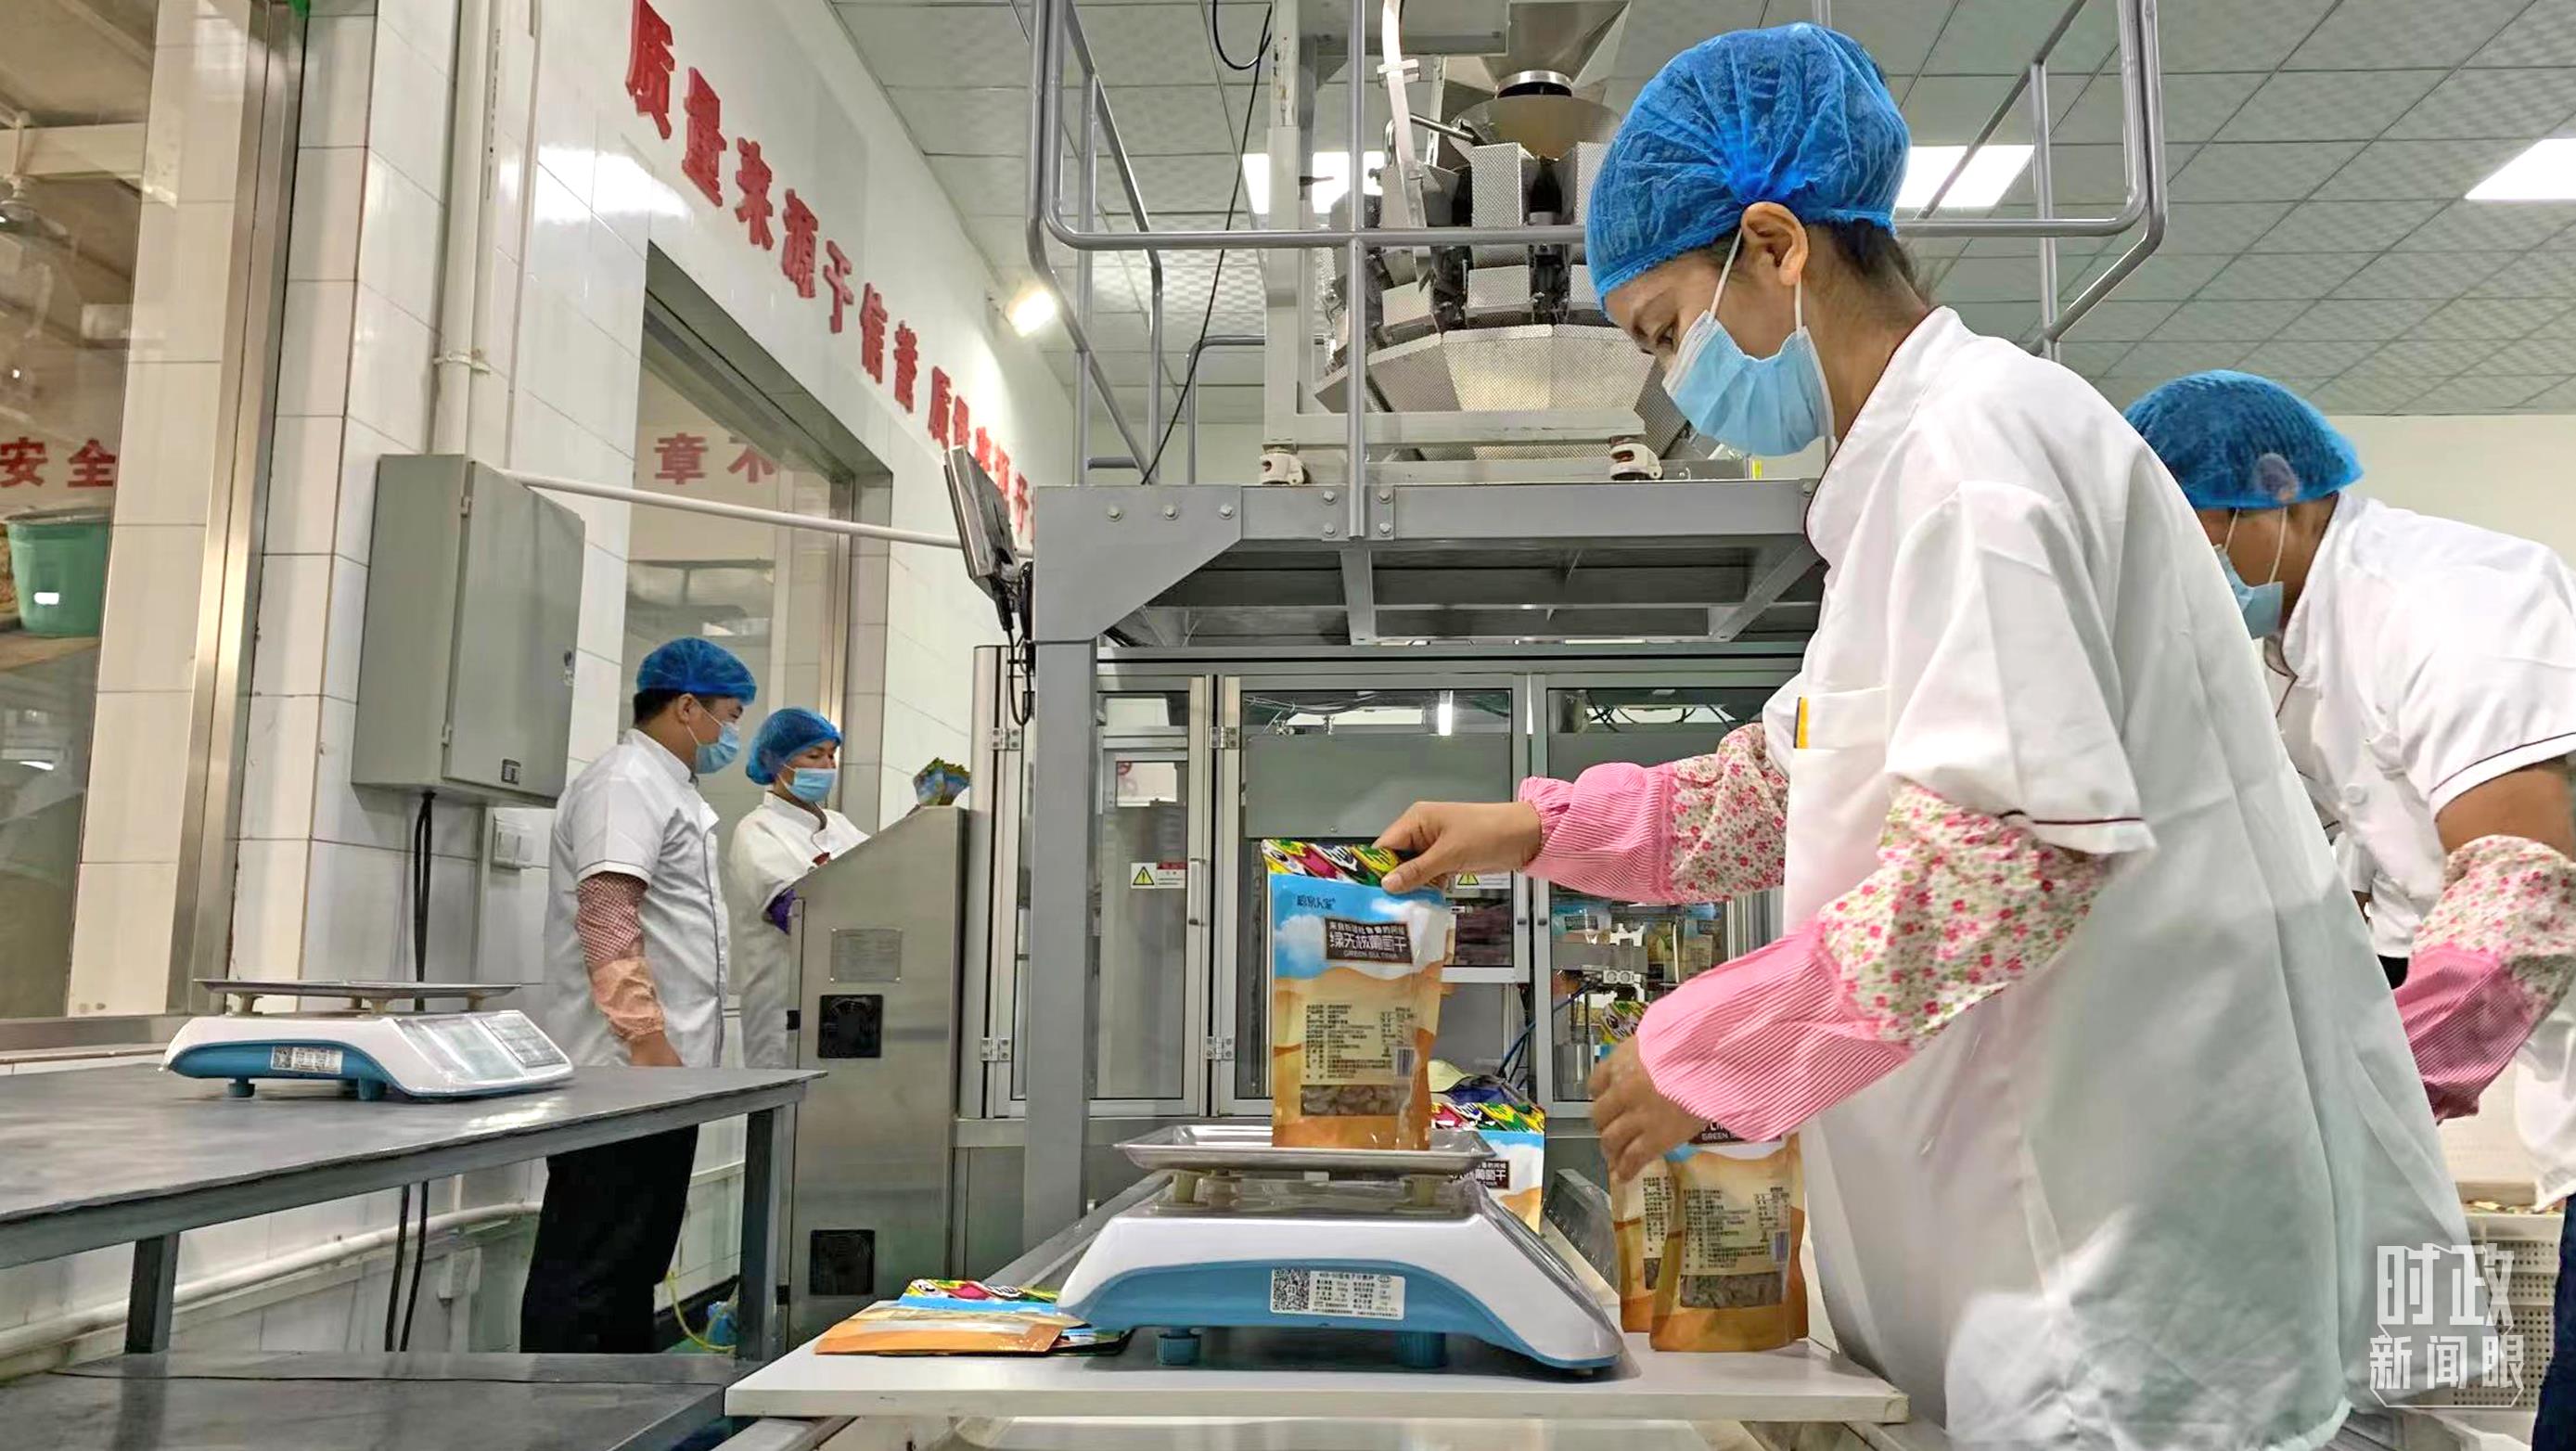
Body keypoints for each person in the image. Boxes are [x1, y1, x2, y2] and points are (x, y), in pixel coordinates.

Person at [1374, 24, 2471, 1446]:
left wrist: (1711, 1047)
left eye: (1664, 333)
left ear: (1775, 247)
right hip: (2035, 1260)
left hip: (2122, 1271)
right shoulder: (1906, 484)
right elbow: (1787, 780)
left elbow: (2006, 864)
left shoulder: (1976, 460)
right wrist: (1537, 827)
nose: (1673, 381)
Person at [2124, 368, 2576, 1439]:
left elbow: (2525, 886)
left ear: (2274, 493)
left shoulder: (2449, 604)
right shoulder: (2292, 648)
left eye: (2187, 535)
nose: (2173, 572)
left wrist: (2357, 1097)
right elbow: (2368, 891)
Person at [521, 636, 755, 1353]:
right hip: (626, 1069)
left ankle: (616, 1398)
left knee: (633, 1258)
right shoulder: (625, 781)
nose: (732, 733)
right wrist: (646, 1040)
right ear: (685, 707)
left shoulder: (669, 787)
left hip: (661, 1072)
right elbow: (607, 911)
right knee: (594, 1258)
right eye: (728, 715)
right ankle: (561, 1406)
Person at [724, 707, 868, 1069]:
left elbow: (885, 869)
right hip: (783, 1009)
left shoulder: (839, 825)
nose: (827, 766)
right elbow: (796, 916)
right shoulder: (758, 830)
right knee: (787, 1100)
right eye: (814, 756)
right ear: (776, 762)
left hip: (843, 1003)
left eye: (831, 755)